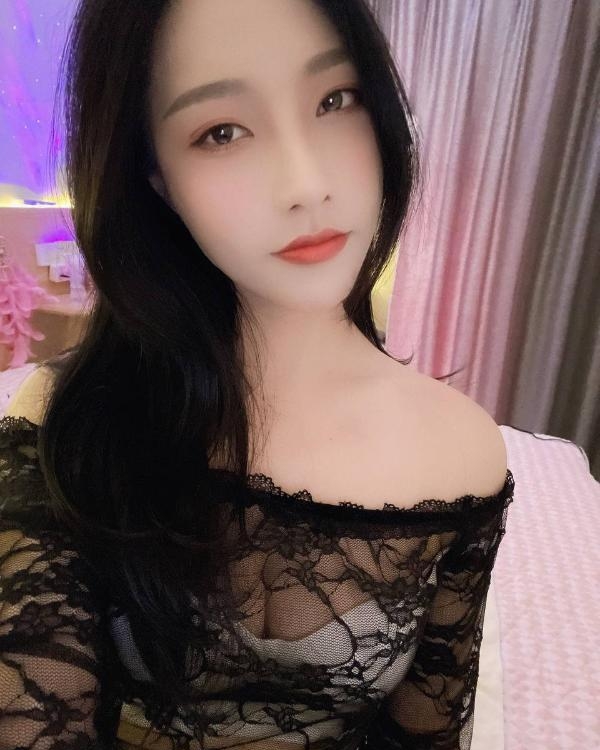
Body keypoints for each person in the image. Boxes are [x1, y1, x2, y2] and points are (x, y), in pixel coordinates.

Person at [0, 1, 515, 748]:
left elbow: (426, 732)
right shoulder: (66, 417)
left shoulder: (463, 452)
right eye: (221, 131)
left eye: (336, 99)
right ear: (157, 178)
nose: (304, 184)